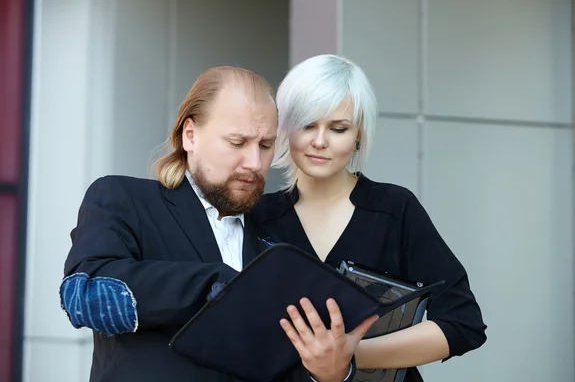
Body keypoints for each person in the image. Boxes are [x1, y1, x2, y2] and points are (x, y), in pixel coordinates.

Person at [59, 66, 376, 382]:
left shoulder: (282, 241)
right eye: (237, 143)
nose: (254, 163)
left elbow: (285, 363)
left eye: (265, 146)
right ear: (190, 136)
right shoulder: (125, 198)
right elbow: (83, 296)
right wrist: (215, 284)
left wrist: (328, 373)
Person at [251, 54, 488, 381]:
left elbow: (462, 322)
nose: (320, 141)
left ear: (359, 133)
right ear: (285, 127)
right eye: (307, 124)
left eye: (338, 128)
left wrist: (351, 355)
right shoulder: (255, 217)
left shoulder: (395, 209)